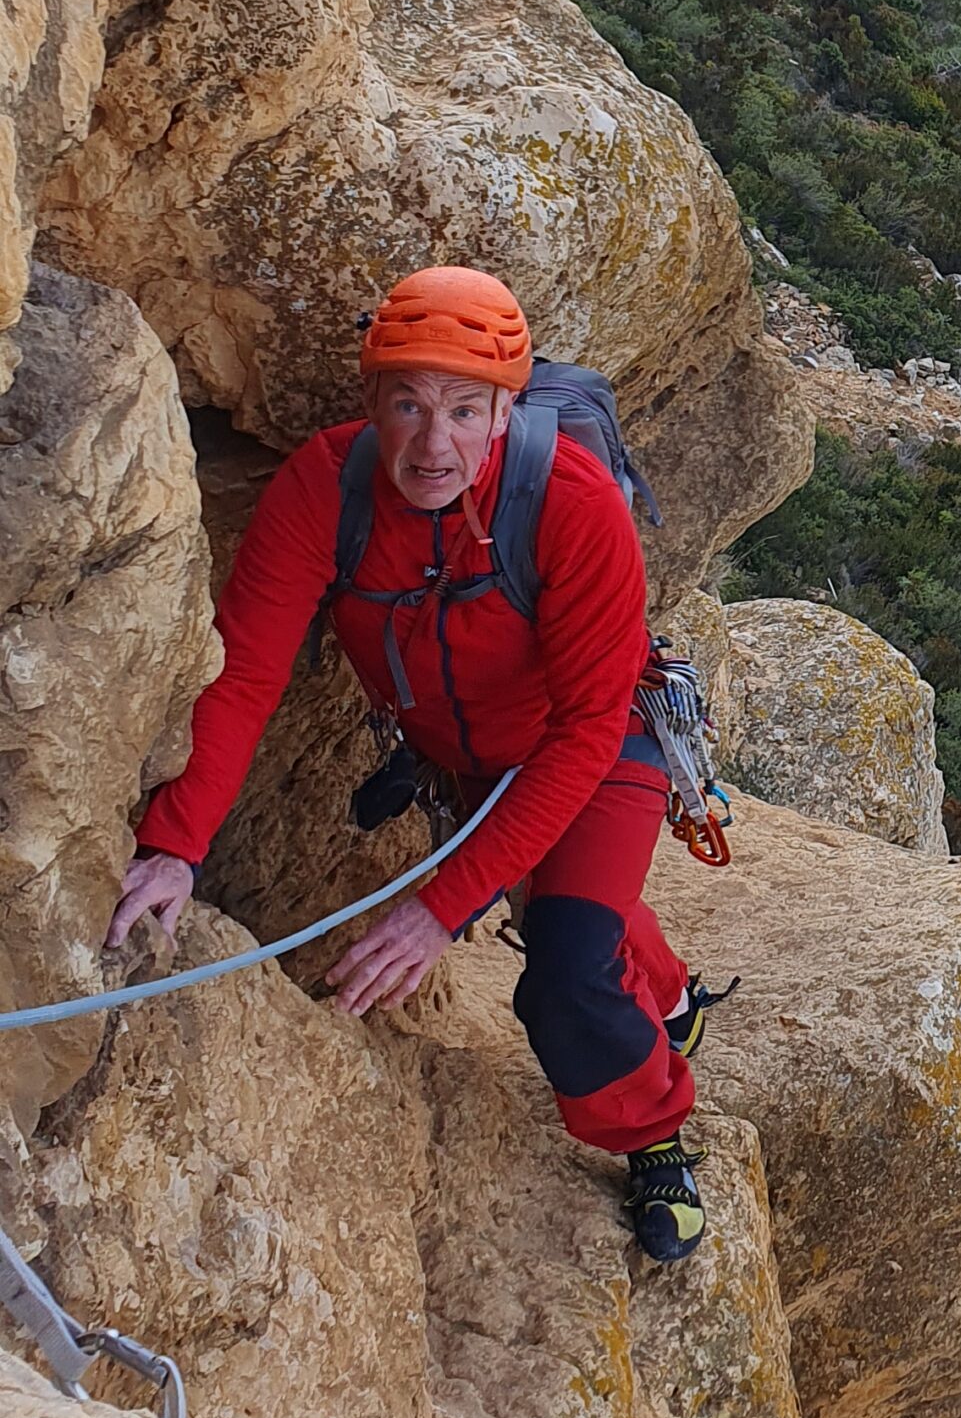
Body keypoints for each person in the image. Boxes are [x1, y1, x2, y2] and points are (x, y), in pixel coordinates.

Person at [107, 267, 719, 1263]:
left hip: (599, 747)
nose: (434, 444)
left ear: (505, 412)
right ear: (372, 401)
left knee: (564, 972)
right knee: (567, 912)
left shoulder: (571, 505)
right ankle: (669, 997)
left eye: (465, 411)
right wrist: (175, 845)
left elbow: (583, 730)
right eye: (409, 405)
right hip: (471, 761)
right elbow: (244, 672)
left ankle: (653, 1135)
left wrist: (439, 908)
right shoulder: (326, 487)